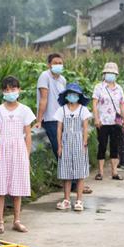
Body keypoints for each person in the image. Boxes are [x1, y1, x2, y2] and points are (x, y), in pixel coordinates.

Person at [36, 53, 92, 196]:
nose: (58, 65)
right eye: (55, 62)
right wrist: (38, 119)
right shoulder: (44, 76)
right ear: (49, 64)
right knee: (60, 150)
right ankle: (73, 184)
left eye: (60, 62)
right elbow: (43, 99)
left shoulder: (62, 79)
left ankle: (75, 182)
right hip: (51, 119)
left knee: (70, 150)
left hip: (65, 117)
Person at [0, 76, 35, 233]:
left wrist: (26, 157)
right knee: (0, 187)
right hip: (2, 149)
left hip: (19, 150)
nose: (10, 92)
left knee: (18, 186)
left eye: (13, 89)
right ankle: (0, 221)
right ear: (3, 91)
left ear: (19, 90)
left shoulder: (25, 110)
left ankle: (17, 220)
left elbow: (28, 135)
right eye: (7, 89)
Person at [55, 82, 92, 212]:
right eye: (70, 94)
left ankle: (79, 200)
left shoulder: (83, 110)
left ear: (79, 96)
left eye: (75, 94)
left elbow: (85, 128)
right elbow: (59, 128)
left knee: (80, 172)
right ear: (66, 96)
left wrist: (84, 143)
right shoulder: (62, 110)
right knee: (66, 173)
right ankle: (66, 200)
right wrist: (59, 145)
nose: (72, 96)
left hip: (78, 141)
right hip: (66, 142)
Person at [92, 62, 124, 181]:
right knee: (102, 145)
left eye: (113, 73)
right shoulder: (99, 87)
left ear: (116, 75)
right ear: (104, 74)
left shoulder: (119, 88)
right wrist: (96, 118)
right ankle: (100, 172)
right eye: (108, 73)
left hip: (116, 122)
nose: (110, 75)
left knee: (115, 146)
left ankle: (114, 171)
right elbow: (94, 103)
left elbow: (122, 105)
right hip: (102, 121)